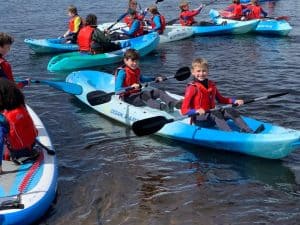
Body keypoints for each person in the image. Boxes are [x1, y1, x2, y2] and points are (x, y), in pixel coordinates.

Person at [181, 58, 264, 133]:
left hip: (211, 115)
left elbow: (221, 99)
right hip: (200, 120)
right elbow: (184, 110)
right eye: (198, 71)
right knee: (216, 113)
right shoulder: (192, 88)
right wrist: (196, 111)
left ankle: (248, 131)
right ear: (193, 72)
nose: (201, 73)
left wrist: (235, 101)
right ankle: (229, 134)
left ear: (208, 71)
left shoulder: (211, 85)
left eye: (204, 71)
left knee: (230, 110)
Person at [115, 49, 181, 112]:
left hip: (138, 94)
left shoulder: (136, 70)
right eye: (132, 61)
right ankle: (162, 107)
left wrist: (155, 78)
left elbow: (143, 79)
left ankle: (173, 103)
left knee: (158, 92)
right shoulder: (122, 72)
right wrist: (130, 87)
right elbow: (117, 91)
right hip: (128, 98)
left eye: (137, 61)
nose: (135, 63)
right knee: (144, 96)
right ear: (125, 60)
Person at [0, 78, 39, 169]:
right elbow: (16, 87)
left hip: (18, 155)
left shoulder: (3, 119)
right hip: (31, 146)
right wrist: (25, 82)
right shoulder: (21, 107)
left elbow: (0, 141)